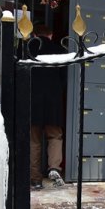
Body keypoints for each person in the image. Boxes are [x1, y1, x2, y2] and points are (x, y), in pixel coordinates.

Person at [29, 23, 67, 189]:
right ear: (51, 35)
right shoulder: (59, 49)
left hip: (33, 101)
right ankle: (53, 167)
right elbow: (64, 78)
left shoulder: (29, 48)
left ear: (34, 35)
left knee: (34, 140)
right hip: (53, 101)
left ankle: (35, 179)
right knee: (55, 136)